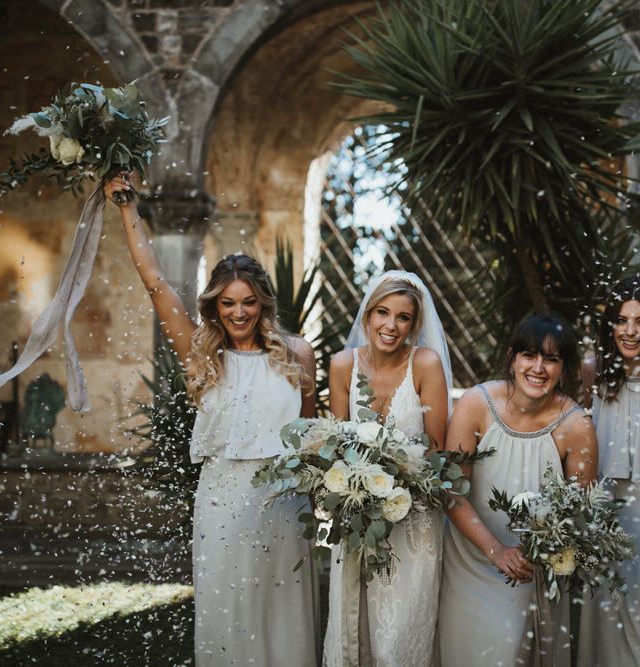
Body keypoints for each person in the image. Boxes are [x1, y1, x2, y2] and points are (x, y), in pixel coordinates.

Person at [103, 174, 320, 666]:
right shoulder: (202, 356)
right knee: (229, 607)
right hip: (222, 498)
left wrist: (313, 507)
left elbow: (311, 438)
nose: (238, 312)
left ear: (262, 302)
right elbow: (156, 282)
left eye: (247, 302)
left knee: (283, 611)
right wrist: (128, 210)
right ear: (214, 306)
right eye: (227, 303)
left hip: (285, 501)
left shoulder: (298, 354)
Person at [438, 314, 598, 667]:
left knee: (510, 654)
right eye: (529, 355)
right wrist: (494, 550)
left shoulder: (576, 425)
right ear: (512, 358)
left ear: (564, 368)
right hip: (470, 557)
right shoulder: (477, 404)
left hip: (529, 568)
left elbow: (581, 509)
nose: (538, 367)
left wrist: (544, 546)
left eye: (551, 359)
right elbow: (451, 490)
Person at [322, 271, 451, 667]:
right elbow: (335, 445)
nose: (390, 326)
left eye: (403, 317)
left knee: (400, 633)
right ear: (367, 316)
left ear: (415, 324)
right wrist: (351, 488)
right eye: (382, 312)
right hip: (357, 516)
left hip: (413, 522)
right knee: (353, 624)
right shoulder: (342, 365)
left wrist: (399, 478)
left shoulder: (425, 364)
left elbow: (436, 449)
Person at [578, 276, 640, 666]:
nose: (630, 331)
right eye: (622, 320)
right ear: (610, 324)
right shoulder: (593, 370)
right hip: (607, 505)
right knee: (609, 595)